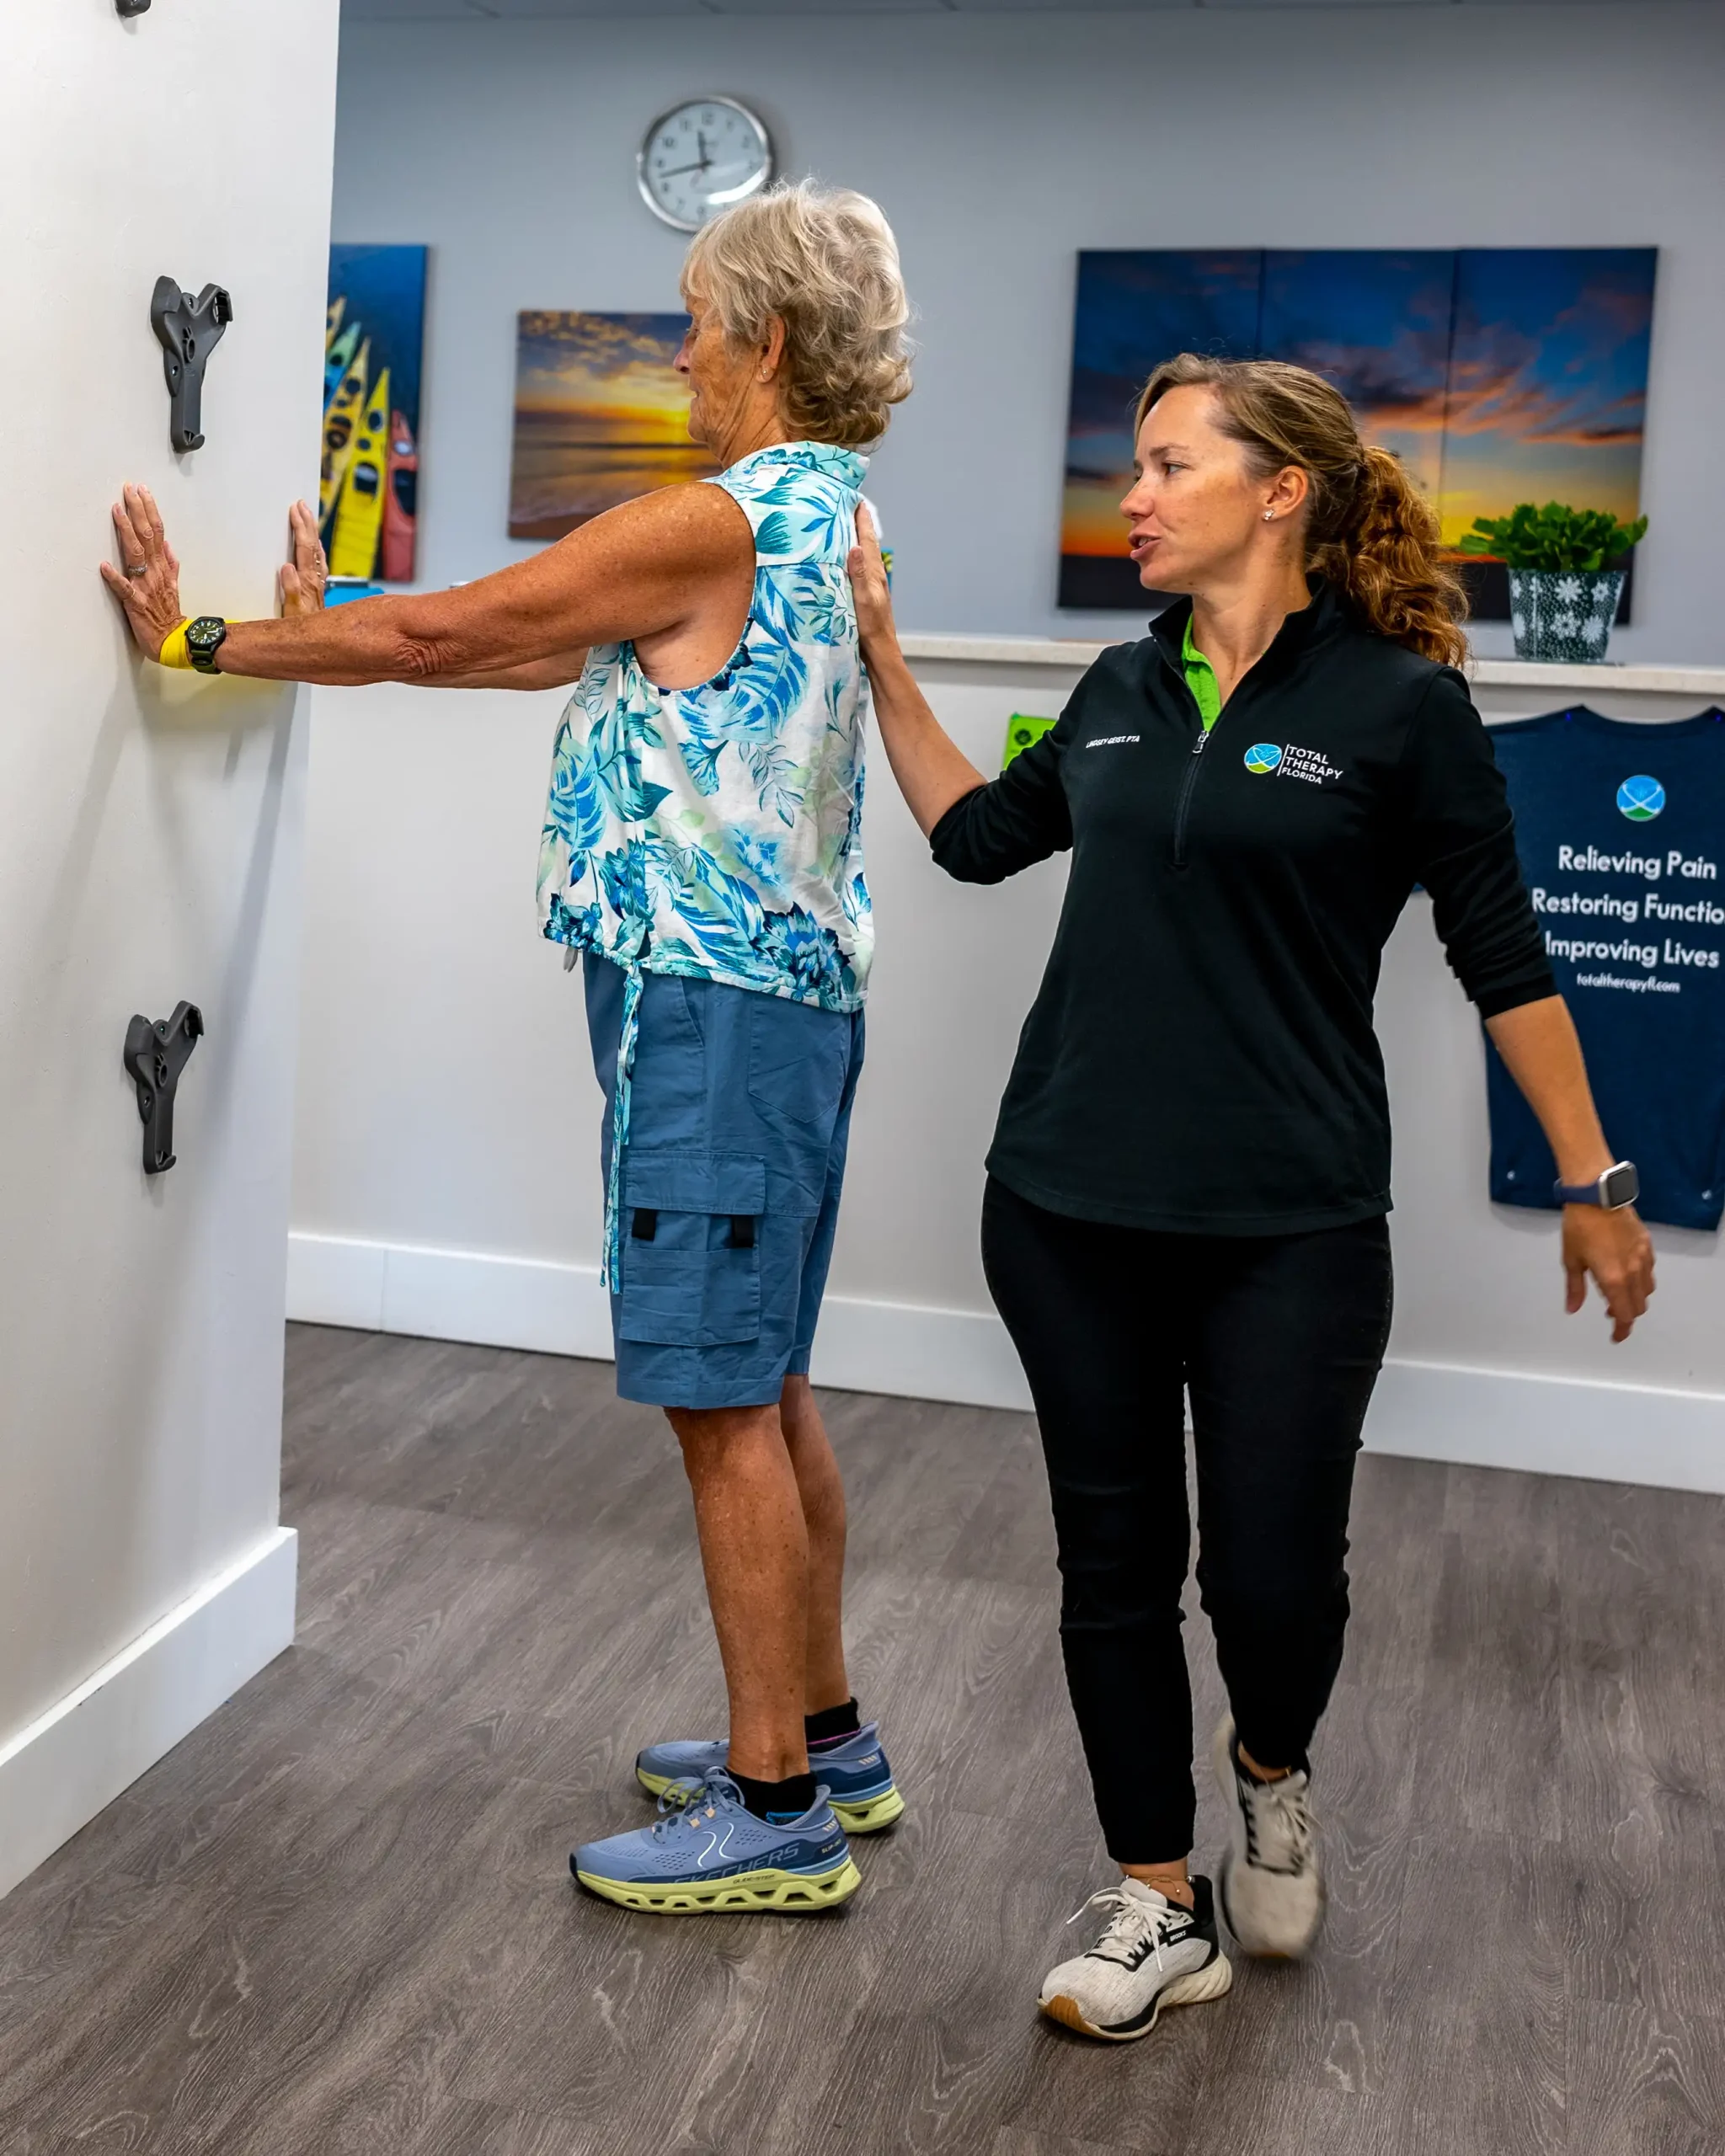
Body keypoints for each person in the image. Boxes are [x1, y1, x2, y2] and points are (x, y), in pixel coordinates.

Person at [103, 180, 914, 1916]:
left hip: (707, 1007)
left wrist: (199, 637)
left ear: (766, 336)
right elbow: (522, 648)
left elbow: (445, 628)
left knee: (713, 1396)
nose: (683, 345)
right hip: (786, 1002)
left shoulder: (709, 520)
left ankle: (773, 1801)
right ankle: (825, 1732)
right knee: (762, 1377)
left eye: (699, 315)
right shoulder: (831, 514)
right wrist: (320, 625)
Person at [846, 354, 1655, 2040]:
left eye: (1162, 464)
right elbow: (981, 837)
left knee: (1275, 1577)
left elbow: (1502, 954)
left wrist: (1592, 1176)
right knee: (1113, 1562)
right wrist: (880, 661)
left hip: (1288, 1220)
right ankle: (1156, 1895)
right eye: (1128, 468)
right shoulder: (1119, 684)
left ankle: (1271, 1764)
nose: (1129, 495)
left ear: (1279, 486)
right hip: (1066, 1200)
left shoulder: (1398, 706)